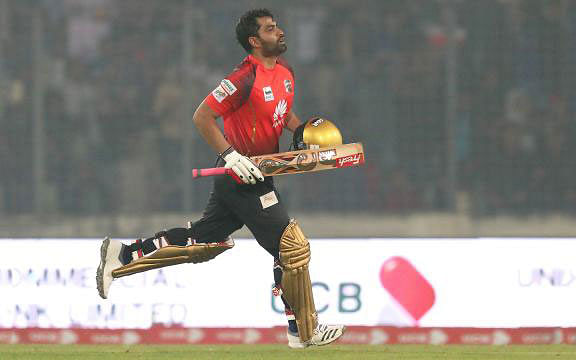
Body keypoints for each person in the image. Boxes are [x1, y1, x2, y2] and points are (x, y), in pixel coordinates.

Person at [96, 8, 345, 348]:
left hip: (260, 174)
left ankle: (122, 256)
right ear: (255, 41)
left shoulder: (285, 74)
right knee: (291, 246)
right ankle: (303, 329)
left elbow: (282, 115)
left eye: (277, 26)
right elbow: (202, 117)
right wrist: (231, 155)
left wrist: (304, 132)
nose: (281, 32)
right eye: (271, 29)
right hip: (240, 176)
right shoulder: (243, 78)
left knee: (203, 241)